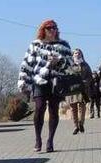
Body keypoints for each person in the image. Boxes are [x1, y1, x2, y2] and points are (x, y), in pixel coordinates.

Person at [18, 19, 74, 153]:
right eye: (49, 28)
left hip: (56, 81)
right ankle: (38, 138)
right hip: (39, 80)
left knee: (54, 110)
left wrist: (59, 61)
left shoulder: (64, 45)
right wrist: (23, 82)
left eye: (54, 28)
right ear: (43, 30)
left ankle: (50, 140)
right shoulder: (35, 45)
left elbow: (71, 65)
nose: (52, 30)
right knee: (39, 107)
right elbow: (26, 64)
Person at [67, 48, 94, 134]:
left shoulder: (85, 65)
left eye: (79, 53)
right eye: (75, 53)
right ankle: (75, 126)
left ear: (81, 55)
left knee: (82, 107)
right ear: (73, 55)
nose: (77, 54)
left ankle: (81, 123)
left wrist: (86, 82)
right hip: (72, 89)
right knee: (73, 108)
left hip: (83, 89)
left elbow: (90, 76)